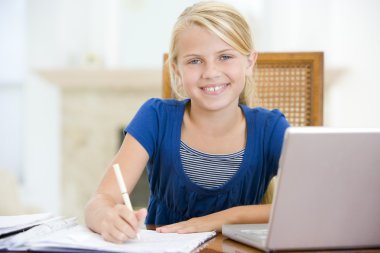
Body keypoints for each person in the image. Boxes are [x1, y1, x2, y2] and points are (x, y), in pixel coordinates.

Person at [85, 1, 289, 243]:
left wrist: (222, 219)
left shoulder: (272, 129)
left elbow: (308, 204)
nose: (210, 72)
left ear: (249, 63)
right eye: (194, 61)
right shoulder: (156, 117)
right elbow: (98, 202)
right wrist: (108, 217)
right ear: (177, 70)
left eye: (225, 56)